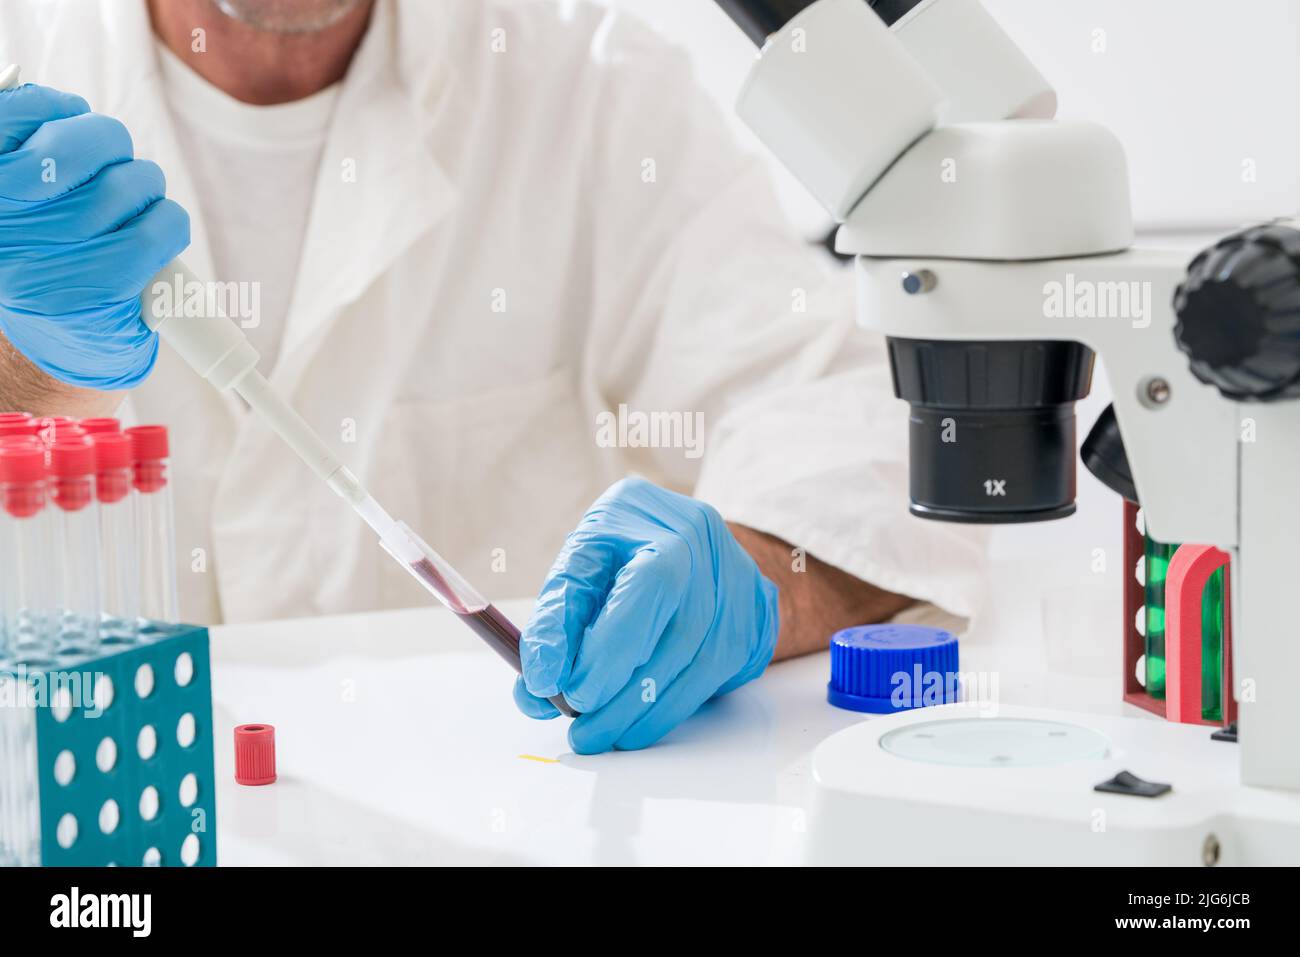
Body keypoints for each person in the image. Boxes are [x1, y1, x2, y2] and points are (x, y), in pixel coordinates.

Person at [0, 0, 983, 753]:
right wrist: (22, 374)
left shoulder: (579, 81)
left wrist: (759, 582)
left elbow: (844, 420)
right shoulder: (21, 74)